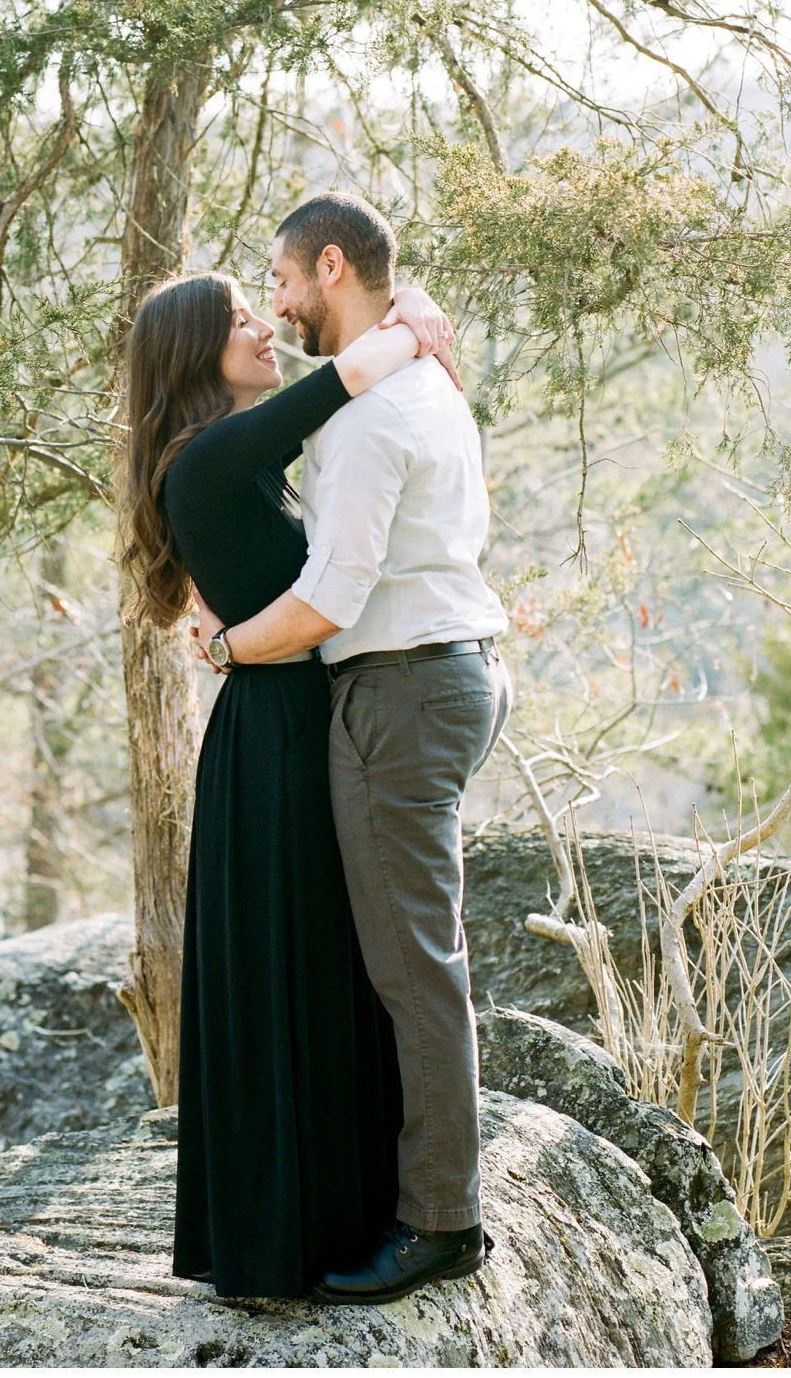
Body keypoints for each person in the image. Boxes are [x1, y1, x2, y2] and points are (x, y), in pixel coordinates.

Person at [193, 192, 512, 1306]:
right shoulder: (411, 380)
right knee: (400, 953)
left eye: (280, 281)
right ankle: (408, 1190)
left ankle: (440, 1221)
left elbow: (328, 599)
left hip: (399, 689)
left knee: (413, 965)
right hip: (438, 673)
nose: (275, 308)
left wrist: (228, 647)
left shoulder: (373, 417)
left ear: (329, 266)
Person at [120, 266, 458, 1300]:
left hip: (282, 724)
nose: (263, 327)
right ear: (190, 356)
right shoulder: (219, 450)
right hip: (274, 738)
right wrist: (418, 321)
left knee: (313, 966)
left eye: (256, 309)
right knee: (297, 968)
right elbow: (347, 374)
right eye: (235, 322)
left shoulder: (223, 460)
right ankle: (296, 1234)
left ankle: (319, 1218)